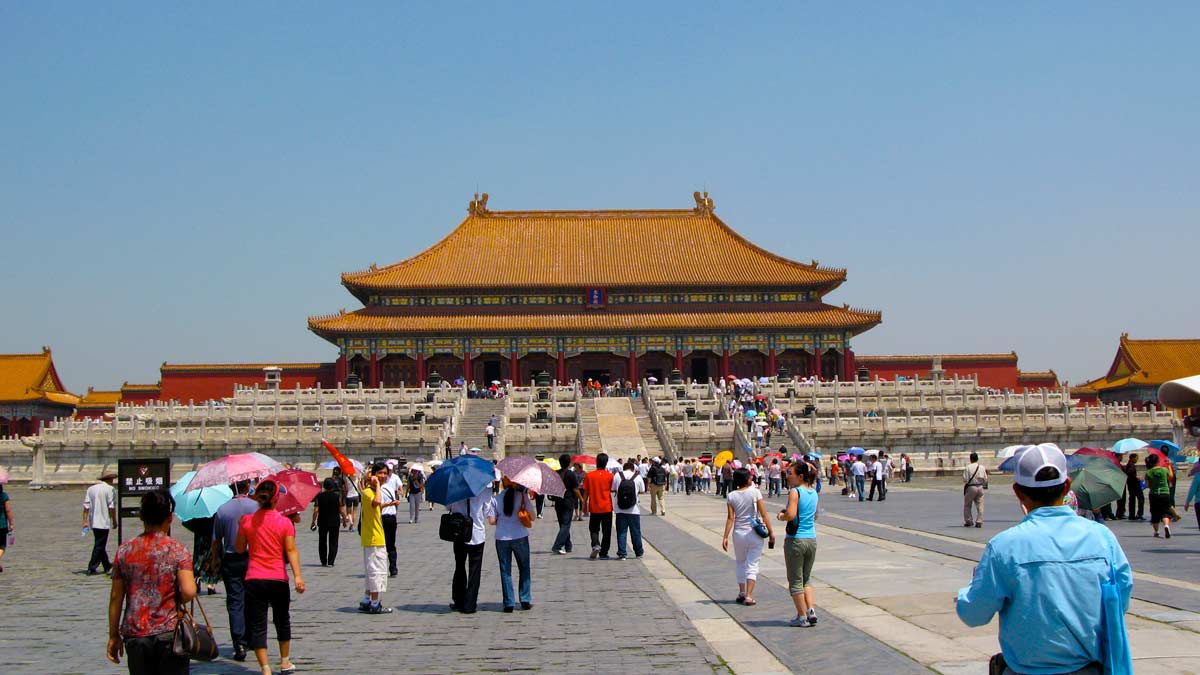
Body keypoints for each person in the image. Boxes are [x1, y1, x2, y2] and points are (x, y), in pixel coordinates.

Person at [956, 443, 1132, 675]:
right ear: (1067, 485)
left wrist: (970, 588)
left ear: (1018, 491)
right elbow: (1122, 598)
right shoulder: (1102, 538)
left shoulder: (1005, 547)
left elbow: (974, 614)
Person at [107, 490, 195, 675]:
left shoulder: (124, 550)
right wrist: (175, 600)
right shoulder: (178, 550)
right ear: (170, 518)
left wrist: (114, 635)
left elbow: (116, 597)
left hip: (135, 633)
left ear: (141, 516)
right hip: (169, 633)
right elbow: (189, 590)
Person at [236, 479, 305, 675]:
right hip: (278, 578)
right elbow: (291, 550)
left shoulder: (246, 520)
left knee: (257, 624)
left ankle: (265, 668)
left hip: (254, 578)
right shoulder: (285, 522)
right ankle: (284, 661)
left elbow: (239, 548)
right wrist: (298, 576)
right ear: (277, 499)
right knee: (282, 619)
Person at [212, 479, 258, 661]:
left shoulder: (222, 509)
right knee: (252, 599)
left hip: (231, 559)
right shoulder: (256, 507)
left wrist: (215, 560)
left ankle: (238, 641)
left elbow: (216, 540)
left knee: (235, 601)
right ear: (247, 487)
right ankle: (252, 638)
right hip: (252, 558)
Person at [721, 468, 774, 606]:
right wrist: (771, 532)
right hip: (754, 533)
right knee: (753, 564)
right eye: (750, 477)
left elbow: (730, 518)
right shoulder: (755, 492)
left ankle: (742, 592)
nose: (752, 479)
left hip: (738, 533)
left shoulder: (731, 495)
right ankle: (749, 596)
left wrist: (725, 537)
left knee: (740, 562)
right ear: (746, 479)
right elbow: (764, 514)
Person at [777, 459, 819, 627]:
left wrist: (782, 516)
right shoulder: (814, 492)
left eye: (790, 474)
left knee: (795, 580)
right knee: (806, 579)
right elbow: (815, 515)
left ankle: (802, 618)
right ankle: (810, 610)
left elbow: (791, 515)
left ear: (800, 476)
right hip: (811, 539)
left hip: (796, 540)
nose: (787, 476)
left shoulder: (795, 492)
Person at [488, 478, 534, 611]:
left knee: (505, 570)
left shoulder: (495, 499)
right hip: (520, 536)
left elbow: (491, 521)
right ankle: (525, 599)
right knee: (524, 568)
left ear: (503, 483)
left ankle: (509, 602)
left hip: (502, 538)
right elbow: (533, 517)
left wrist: (502, 520)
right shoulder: (522, 496)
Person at [448, 484, 491, 613]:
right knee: (475, 570)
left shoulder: (454, 488)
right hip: (477, 533)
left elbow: (448, 507)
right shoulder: (484, 489)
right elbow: (487, 511)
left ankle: (459, 600)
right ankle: (470, 604)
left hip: (459, 533)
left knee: (459, 566)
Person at [358, 464, 392, 614]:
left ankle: (366, 600)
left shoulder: (370, 492)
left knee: (371, 571)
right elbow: (376, 502)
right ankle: (374, 603)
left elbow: (375, 508)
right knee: (377, 572)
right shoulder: (368, 492)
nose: (383, 476)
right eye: (380, 473)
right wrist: (378, 485)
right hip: (374, 538)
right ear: (373, 475)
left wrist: (388, 504)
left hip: (373, 536)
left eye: (385, 473)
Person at [84, 471, 118, 575]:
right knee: (99, 544)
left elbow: (86, 506)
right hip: (103, 520)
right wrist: (114, 520)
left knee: (100, 542)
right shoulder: (110, 489)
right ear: (110, 479)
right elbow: (111, 507)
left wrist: (84, 521)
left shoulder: (91, 489)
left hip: (93, 520)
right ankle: (92, 566)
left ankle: (106, 564)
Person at [612, 461, 646, 560]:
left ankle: (622, 553)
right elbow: (642, 490)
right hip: (634, 509)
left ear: (624, 468)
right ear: (633, 468)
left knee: (621, 532)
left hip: (620, 508)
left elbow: (613, 489)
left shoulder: (617, 475)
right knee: (635, 531)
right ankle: (638, 552)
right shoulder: (637, 476)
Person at [584, 452, 615, 559]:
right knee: (607, 531)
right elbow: (613, 489)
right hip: (606, 506)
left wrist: (584, 505)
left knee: (593, 529)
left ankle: (595, 544)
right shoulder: (610, 476)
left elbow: (586, 492)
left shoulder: (589, 476)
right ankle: (604, 552)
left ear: (596, 462)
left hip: (594, 506)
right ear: (606, 463)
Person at [551, 453, 583, 554]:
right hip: (568, 501)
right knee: (566, 525)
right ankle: (557, 546)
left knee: (563, 524)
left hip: (558, 501)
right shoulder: (570, 474)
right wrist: (582, 499)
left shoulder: (555, 473)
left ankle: (568, 546)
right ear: (569, 463)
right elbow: (575, 489)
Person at [310, 477, 346, 567]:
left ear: (324, 486)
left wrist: (313, 521)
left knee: (322, 542)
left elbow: (315, 510)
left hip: (322, 522)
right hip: (334, 522)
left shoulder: (319, 496)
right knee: (333, 542)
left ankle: (323, 561)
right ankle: (331, 561)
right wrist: (344, 520)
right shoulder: (337, 497)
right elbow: (341, 510)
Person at [182, 516, 220, 595]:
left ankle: (197, 577)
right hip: (211, 535)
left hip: (200, 535)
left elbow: (186, 522)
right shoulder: (214, 510)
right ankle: (210, 584)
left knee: (199, 557)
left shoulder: (197, 510)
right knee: (211, 557)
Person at [379, 464, 402, 577]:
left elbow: (379, 506)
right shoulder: (388, 487)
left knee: (385, 544)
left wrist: (390, 503)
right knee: (390, 544)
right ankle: (393, 568)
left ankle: (390, 567)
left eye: (385, 473)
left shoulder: (382, 489)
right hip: (391, 517)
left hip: (385, 518)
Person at [1146, 454, 1172, 538]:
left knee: (1155, 513)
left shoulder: (1148, 472)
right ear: (1158, 461)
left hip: (1154, 494)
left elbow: (1147, 485)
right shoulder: (1164, 470)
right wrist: (1169, 466)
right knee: (1166, 512)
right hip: (1165, 493)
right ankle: (1166, 526)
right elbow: (1171, 477)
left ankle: (1156, 532)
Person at [963, 452, 988, 528]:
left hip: (971, 487)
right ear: (977, 459)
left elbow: (965, 479)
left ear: (970, 459)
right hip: (980, 487)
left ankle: (969, 521)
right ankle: (979, 521)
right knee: (980, 505)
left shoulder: (968, 467)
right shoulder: (982, 467)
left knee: (967, 505)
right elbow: (985, 478)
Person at [1121, 454, 1144, 521]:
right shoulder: (1131, 465)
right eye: (1136, 458)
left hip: (1131, 485)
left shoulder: (1129, 464)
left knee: (1132, 499)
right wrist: (1136, 477)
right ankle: (1139, 514)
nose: (1137, 459)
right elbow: (1130, 474)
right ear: (1133, 458)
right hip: (1134, 485)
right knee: (1140, 498)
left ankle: (1132, 514)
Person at [0, 483, 12, 573]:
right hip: (2, 525)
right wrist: (11, 523)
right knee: (2, 546)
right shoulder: (4, 496)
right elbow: (8, 510)